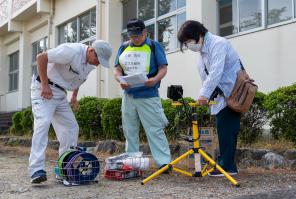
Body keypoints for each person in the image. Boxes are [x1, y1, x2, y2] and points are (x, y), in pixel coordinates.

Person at [29, 40, 112, 183]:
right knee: (43, 124)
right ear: (91, 50)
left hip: (60, 94)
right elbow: (41, 57)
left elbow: (77, 79)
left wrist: (73, 96)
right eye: (98, 59)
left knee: (71, 127)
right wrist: (44, 85)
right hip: (44, 89)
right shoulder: (71, 51)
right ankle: (36, 170)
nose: (98, 64)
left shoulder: (89, 64)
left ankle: (64, 168)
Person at [177, 20, 241, 176]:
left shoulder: (218, 44)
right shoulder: (203, 51)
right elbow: (206, 76)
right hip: (221, 96)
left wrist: (204, 94)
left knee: (227, 130)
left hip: (231, 93)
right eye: (185, 43)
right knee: (224, 130)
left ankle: (227, 167)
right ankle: (225, 164)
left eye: (189, 41)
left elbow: (215, 73)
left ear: (199, 34)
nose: (189, 45)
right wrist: (206, 94)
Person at [114, 19, 171, 169]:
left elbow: (163, 68)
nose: (135, 39)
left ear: (145, 32)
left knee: (155, 129)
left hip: (148, 94)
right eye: (132, 36)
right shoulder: (123, 48)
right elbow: (117, 69)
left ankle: (163, 162)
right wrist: (119, 79)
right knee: (129, 129)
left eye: (138, 35)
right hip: (128, 95)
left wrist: (155, 79)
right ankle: (132, 162)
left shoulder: (154, 46)